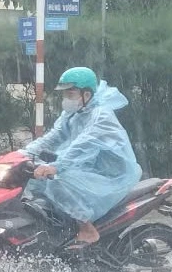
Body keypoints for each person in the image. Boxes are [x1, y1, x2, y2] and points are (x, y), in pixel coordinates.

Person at [24, 66, 142, 244]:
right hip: (87, 170)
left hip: (110, 176)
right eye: (65, 95)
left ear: (86, 95)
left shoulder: (101, 117)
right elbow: (52, 137)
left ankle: (86, 228)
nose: (66, 99)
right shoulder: (72, 114)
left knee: (57, 181)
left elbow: (81, 147)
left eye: (70, 94)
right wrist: (21, 154)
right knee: (31, 179)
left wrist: (55, 166)